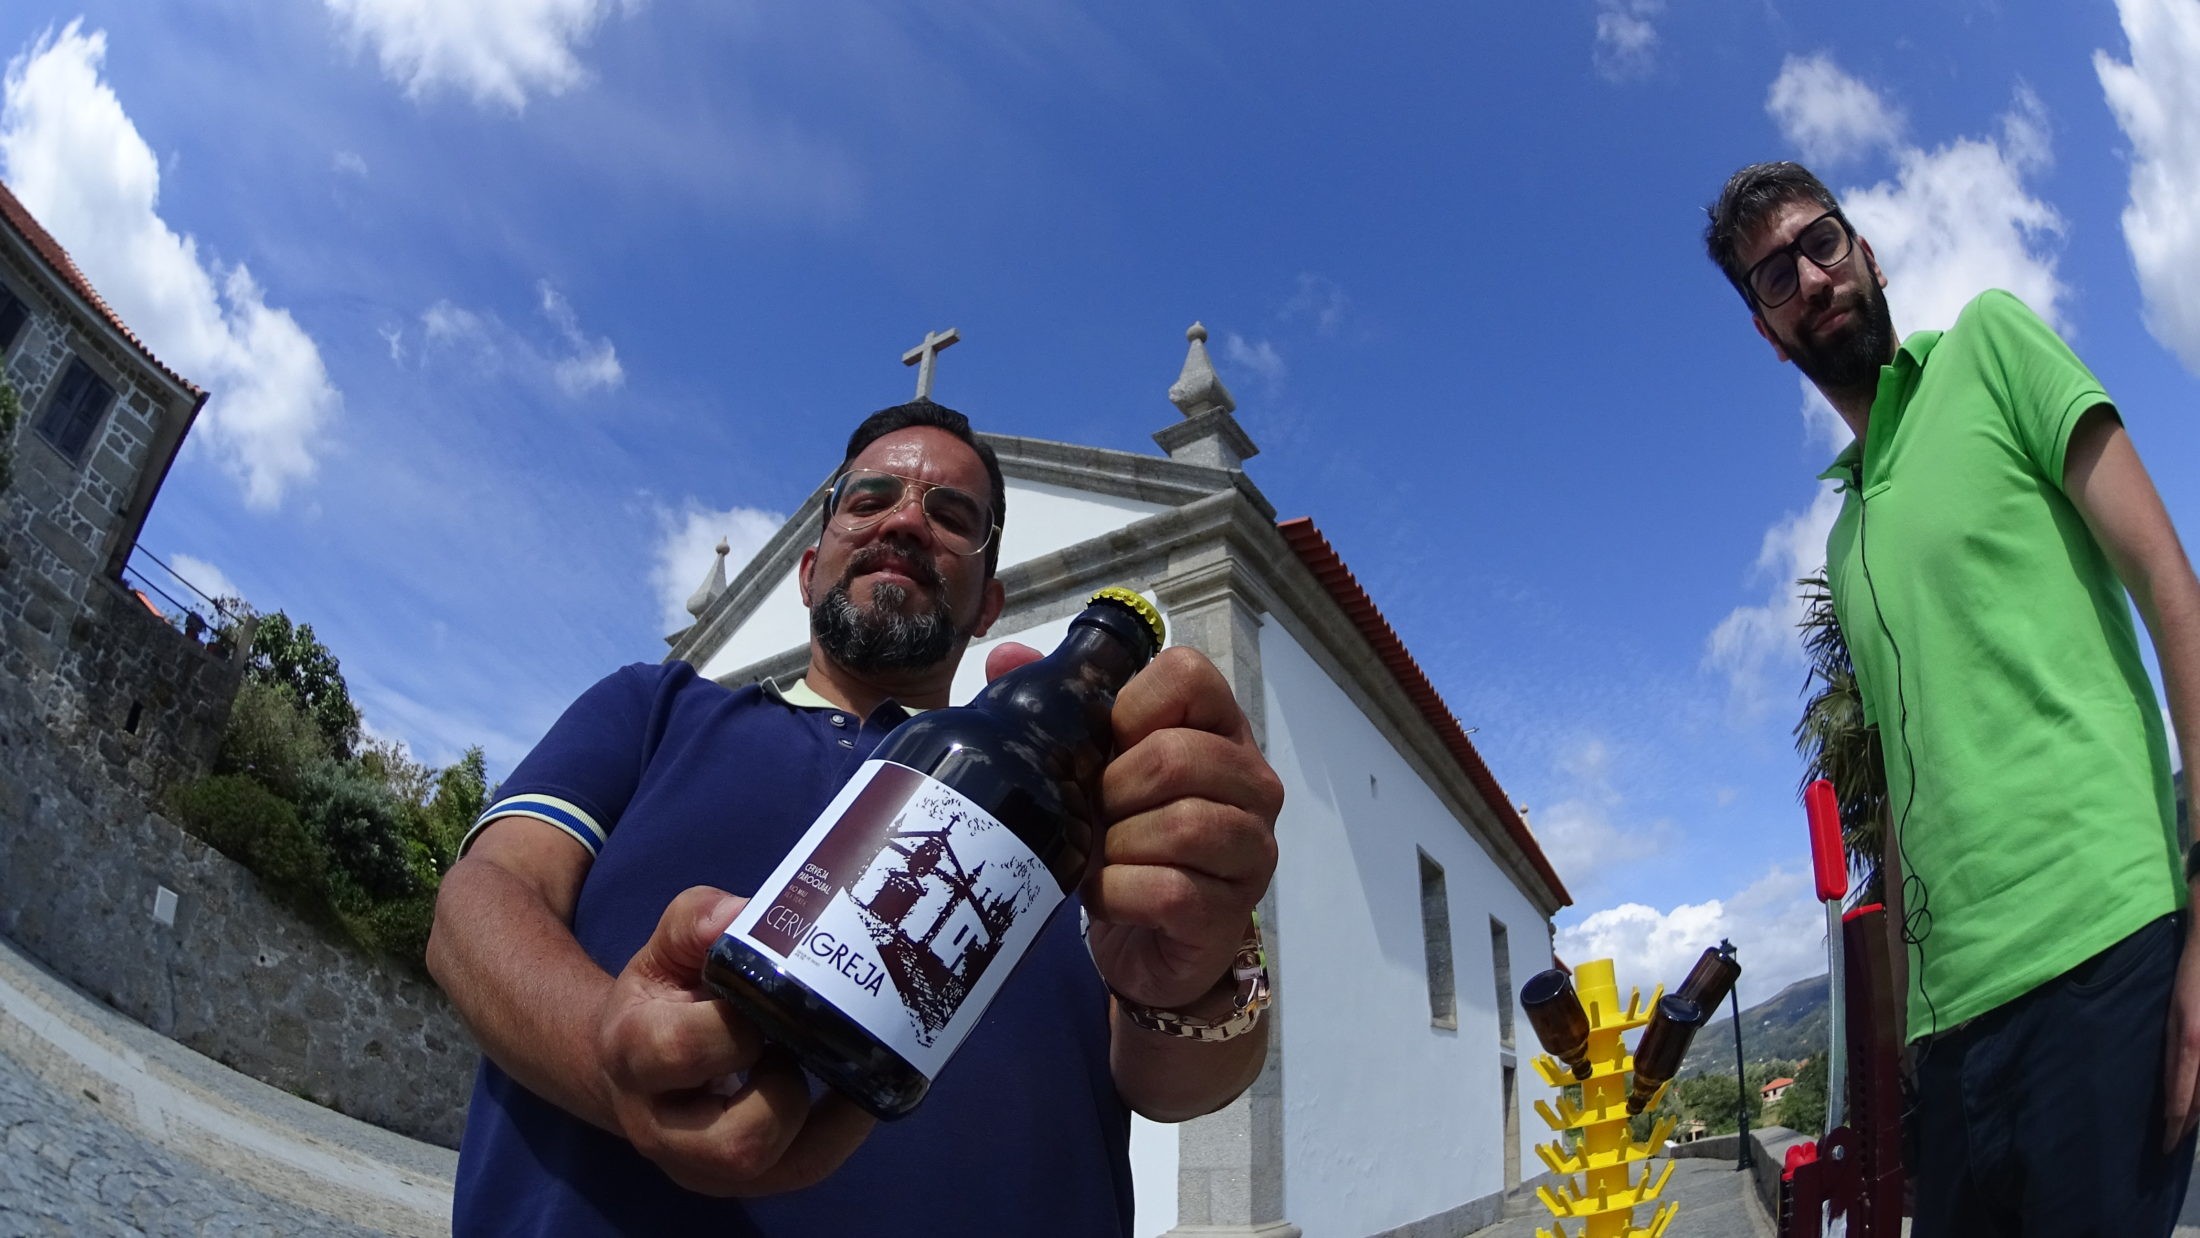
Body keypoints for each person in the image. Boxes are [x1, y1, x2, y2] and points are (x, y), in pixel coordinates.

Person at [428, 400, 1282, 1235]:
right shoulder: (655, 709)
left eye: (952, 515)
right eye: (870, 500)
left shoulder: (1082, 798)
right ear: (809, 570)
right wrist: (607, 1058)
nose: (907, 521)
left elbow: (1181, 1086)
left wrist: (1198, 970)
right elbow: (482, 898)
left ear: (990, 605)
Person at [1705, 161, 2200, 1232]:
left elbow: (2170, 583)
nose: (1809, 278)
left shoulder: (1992, 344)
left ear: (1865, 251)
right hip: (1948, 1035)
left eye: (1819, 243)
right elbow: (1901, 794)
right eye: (1773, 277)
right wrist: (1903, 1059)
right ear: (1766, 331)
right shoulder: (1844, 540)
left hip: (2102, 954)